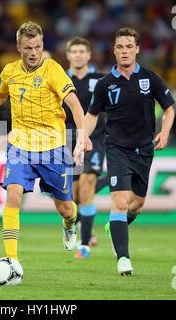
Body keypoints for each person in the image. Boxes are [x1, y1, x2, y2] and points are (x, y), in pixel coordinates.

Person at [0, 21, 91, 263]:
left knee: (66, 208)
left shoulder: (53, 70)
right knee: (14, 194)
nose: (33, 53)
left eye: (38, 47)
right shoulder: (10, 71)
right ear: (18, 47)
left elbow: (74, 104)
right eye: (28, 48)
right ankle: (12, 260)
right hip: (20, 147)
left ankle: (69, 224)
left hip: (53, 148)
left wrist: (82, 135)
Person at [85, 28, 175, 275]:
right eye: (119, 47)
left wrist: (164, 132)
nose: (124, 51)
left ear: (137, 49)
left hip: (144, 150)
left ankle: (116, 226)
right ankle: (123, 258)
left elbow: (169, 109)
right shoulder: (105, 84)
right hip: (116, 149)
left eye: (128, 46)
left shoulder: (150, 78)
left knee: (137, 205)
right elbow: (92, 114)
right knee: (121, 202)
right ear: (114, 51)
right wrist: (82, 136)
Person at [63, 37, 106, 259]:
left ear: (89, 55)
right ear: (68, 55)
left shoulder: (101, 79)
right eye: (74, 51)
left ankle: (85, 245)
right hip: (66, 140)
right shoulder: (59, 79)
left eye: (82, 51)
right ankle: (85, 226)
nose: (78, 55)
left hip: (94, 139)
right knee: (75, 193)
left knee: (87, 186)